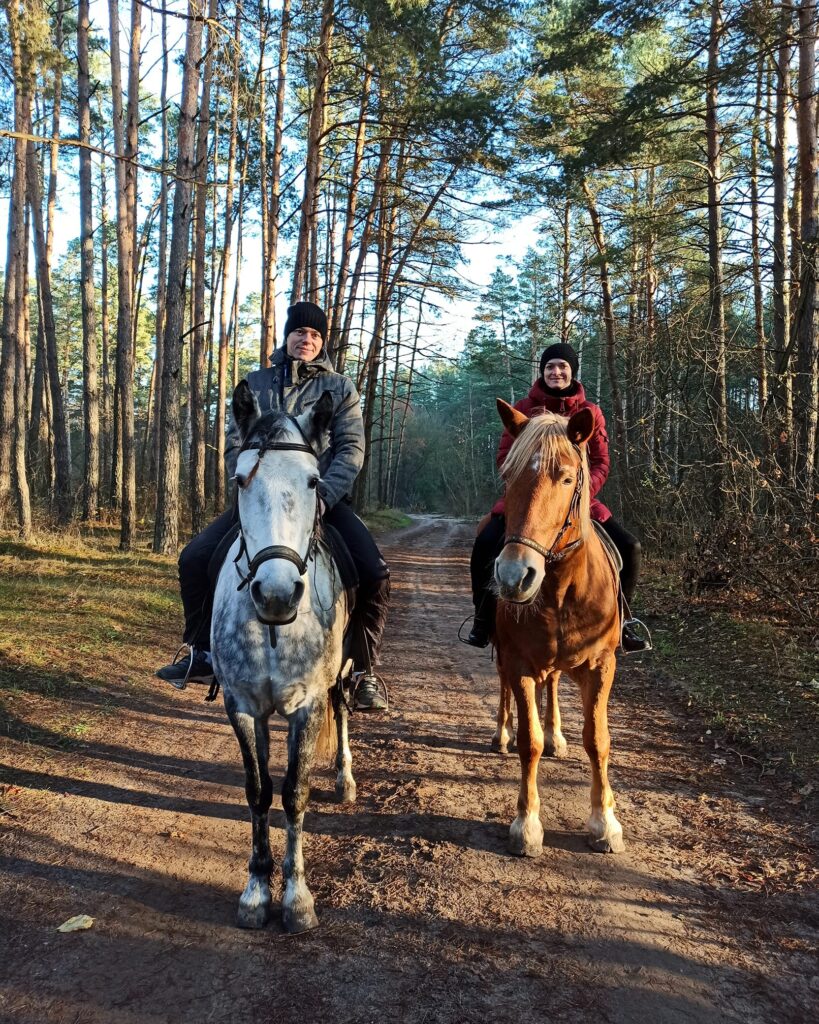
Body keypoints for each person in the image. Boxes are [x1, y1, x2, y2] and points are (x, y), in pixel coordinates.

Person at [156, 300, 390, 711]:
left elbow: (351, 450)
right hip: (260, 502)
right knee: (194, 559)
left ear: (323, 342)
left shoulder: (339, 388)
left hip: (320, 500)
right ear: (287, 335)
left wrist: (323, 496)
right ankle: (202, 653)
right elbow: (235, 442)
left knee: (374, 573)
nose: (307, 340)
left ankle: (362, 670)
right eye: (300, 331)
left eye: (315, 334)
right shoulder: (256, 382)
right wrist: (250, 483)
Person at [465, 342, 649, 652]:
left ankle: (623, 622)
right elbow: (505, 457)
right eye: (550, 366)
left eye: (562, 366)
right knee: (486, 543)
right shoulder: (523, 409)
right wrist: (526, 485)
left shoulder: (590, 413)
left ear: (572, 371)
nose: (556, 371)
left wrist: (580, 492)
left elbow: (601, 462)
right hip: (527, 499)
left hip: (577, 500)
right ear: (542, 371)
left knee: (630, 547)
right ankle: (483, 619)